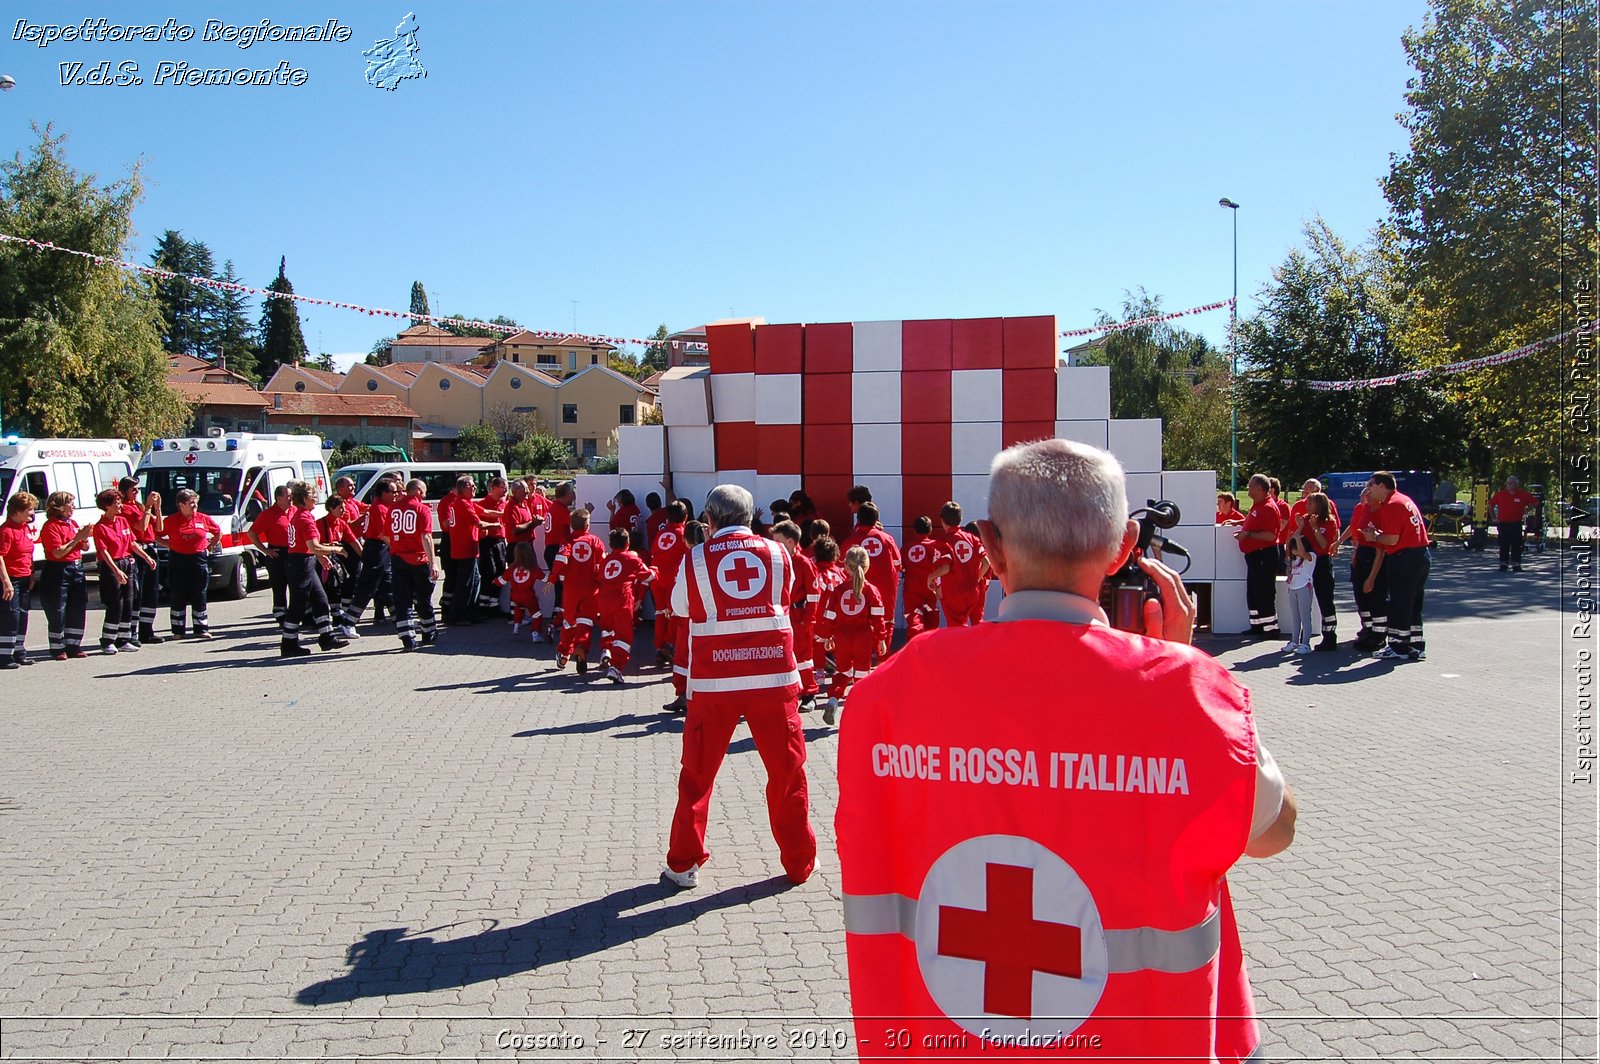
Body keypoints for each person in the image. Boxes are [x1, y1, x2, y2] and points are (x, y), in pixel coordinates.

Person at [835, 438, 1297, 1062]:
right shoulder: (1190, 694)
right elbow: (1274, 832)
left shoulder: (886, 694)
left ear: (989, 545)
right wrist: (1183, 674)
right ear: (1125, 547)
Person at [661, 484, 816, 888]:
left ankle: (683, 864)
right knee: (787, 773)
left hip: (715, 682)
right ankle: (799, 864)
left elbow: (680, 607)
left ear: (709, 520)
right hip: (774, 679)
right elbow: (782, 599)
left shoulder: (696, 558)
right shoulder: (780, 553)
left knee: (696, 775)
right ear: (751, 517)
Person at [1363, 470, 1431, 661]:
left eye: (1371, 485)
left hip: (1404, 557)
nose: (1369, 489)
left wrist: (1374, 536)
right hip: (1420, 555)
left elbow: (1391, 540)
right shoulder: (1404, 500)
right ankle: (1416, 645)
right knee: (1414, 602)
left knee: (1399, 602)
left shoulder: (1392, 505)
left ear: (1381, 486)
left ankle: (1397, 646)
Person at [818, 545, 888, 726]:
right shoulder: (871, 591)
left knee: (842, 672)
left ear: (846, 567)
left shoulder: (838, 590)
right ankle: (861, 711)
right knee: (862, 675)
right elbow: (878, 616)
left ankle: (833, 700)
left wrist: (827, 637)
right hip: (863, 638)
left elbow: (829, 616)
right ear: (867, 566)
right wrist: (881, 638)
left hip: (842, 637)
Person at [281, 480, 350, 658]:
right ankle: (288, 643)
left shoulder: (300, 515)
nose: (316, 499)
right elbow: (314, 546)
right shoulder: (304, 517)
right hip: (300, 564)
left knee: (320, 599)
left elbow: (310, 548)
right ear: (304, 499)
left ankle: (327, 636)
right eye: (313, 497)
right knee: (298, 604)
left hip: (305, 561)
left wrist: (320, 557)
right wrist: (335, 549)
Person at [91, 488, 154, 654]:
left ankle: (123, 639)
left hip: (127, 562)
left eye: (119, 501)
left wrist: (146, 557)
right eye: (116, 502)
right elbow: (103, 552)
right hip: (112, 565)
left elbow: (132, 543)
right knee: (115, 603)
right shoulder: (100, 527)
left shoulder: (122, 521)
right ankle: (108, 640)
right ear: (107, 506)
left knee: (128, 602)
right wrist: (116, 571)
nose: (120, 505)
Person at [770, 520, 823, 710]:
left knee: (803, 657)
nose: (774, 543)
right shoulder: (776, 560)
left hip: (799, 615)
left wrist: (807, 619)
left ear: (790, 542)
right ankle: (788, 692)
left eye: (778, 540)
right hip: (781, 615)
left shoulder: (803, 563)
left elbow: (814, 594)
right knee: (783, 654)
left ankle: (809, 694)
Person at [549, 508, 606, 674]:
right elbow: (601, 567)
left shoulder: (567, 540)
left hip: (571, 590)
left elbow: (560, 561)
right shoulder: (596, 541)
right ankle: (581, 647)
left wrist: (552, 578)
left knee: (569, 623)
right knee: (586, 623)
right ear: (587, 525)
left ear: (572, 525)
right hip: (591, 590)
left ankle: (564, 653)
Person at [595, 528, 655, 683]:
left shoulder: (605, 560)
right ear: (627, 543)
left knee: (608, 629)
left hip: (603, 599)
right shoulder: (632, 559)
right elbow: (648, 576)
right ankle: (616, 667)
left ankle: (606, 651)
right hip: (622, 599)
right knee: (624, 636)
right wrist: (655, 570)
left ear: (610, 544)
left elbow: (599, 576)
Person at [38, 491, 93, 659]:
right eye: (70, 503)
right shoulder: (50, 526)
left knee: (77, 606)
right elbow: (58, 552)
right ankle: (57, 647)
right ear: (59, 507)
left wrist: (84, 538)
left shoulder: (72, 523)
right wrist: (77, 538)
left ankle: (74, 645)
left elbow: (84, 548)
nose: (73, 506)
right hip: (58, 569)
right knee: (57, 609)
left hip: (76, 567)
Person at [159, 489, 221, 640]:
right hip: (178, 559)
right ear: (181, 505)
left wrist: (210, 545)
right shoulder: (171, 520)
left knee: (199, 593)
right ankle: (178, 630)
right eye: (191, 503)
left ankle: (201, 628)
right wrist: (168, 543)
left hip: (198, 558)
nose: (195, 506)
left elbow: (218, 531)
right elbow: (156, 534)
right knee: (178, 594)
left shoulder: (203, 518)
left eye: (196, 503)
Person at [341, 475, 399, 632]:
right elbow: (383, 534)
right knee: (367, 587)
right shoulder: (379, 508)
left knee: (388, 585)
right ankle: (348, 622)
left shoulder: (381, 507)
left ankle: (400, 620)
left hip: (380, 549)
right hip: (376, 549)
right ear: (383, 493)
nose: (396, 495)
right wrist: (398, 549)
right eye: (393, 492)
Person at [389, 478, 440, 652]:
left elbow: (388, 534)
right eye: (424, 491)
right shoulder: (421, 509)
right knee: (423, 597)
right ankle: (428, 632)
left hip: (398, 558)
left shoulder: (393, 508)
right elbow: (426, 537)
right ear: (418, 491)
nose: (425, 495)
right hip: (418, 560)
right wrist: (433, 562)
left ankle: (407, 637)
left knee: (402, 600)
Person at [1336, 485, 1388, 651]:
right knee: (1361, 597)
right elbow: (1354, 527)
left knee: (1376, 598)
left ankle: (1379, 635)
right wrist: (1340, 542)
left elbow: (1380, 548)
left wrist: (1372, 577)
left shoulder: (1382, 511)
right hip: (1362, 554)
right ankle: (1368, 629)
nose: (1365, 496)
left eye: (1369, 493)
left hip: (1374, 555)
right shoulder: (1362, 508)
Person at [662, 520, 706, 715]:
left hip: (688, 615)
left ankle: (684, 696)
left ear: (685, 539)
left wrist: (673, 608)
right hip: (708, 616)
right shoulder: (711, 555)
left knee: (683, 657)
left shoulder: (689, 558)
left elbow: (680, 589)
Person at [1232, 475, 1281, 639]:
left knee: (1264, 591)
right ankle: (1257, 625)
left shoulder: (1267, 507)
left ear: (1259, 489)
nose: (1248, 488)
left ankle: (1271, 629)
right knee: (1253, 592)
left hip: (1263, 555)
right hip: (1254, 555)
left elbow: (1270, 536)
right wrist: (1240, 523)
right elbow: (1255, 522)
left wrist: (1248, 534)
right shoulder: (1258, 506)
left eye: (1250, 486)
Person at [928, 502, 989, 628]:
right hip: (972, 591)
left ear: (942, 521)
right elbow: (986, 563)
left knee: (957, 628)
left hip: (953, 593)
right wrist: (975, 579)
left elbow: (945, 568)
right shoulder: (973, 538)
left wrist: (930, 577)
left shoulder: (942, 542)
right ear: (961, 519)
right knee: (976, 623)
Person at [119, 477, 164, 645]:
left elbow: (158, 527)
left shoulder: (139, 506)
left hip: (151, 548)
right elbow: (141, 527)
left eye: (138, 489)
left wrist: (157, 508)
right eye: (134, 490)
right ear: (124, 492)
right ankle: (132, 631)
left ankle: (147, 630)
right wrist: (148, 507)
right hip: (138, 550)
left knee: (151, 591)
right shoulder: (124, 509)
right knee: (137, 592)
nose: (137, 492)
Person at [246, 485, 296, 630]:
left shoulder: (295, 510)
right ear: (279, 498)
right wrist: (265, 550)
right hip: (277, 553)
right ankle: (280, 614)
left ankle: (298, 614)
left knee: (297, 585)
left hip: (294, 552)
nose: (291, 499)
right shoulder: (268, 514)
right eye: (288, 496)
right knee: (279, 586)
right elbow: (252, 533)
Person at [0, 492, 39, 668]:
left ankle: (19, 651)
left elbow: (28, 553)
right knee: (11, 616)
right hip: (11, 579)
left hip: (24, 577)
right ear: (17, 511)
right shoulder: (6, 531)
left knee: (23, 615)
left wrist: (31, 574)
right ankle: (5, 655)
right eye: (29, 510)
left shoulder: (24, 528)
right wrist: (6, 582)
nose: (32, 514)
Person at [1298, 491, 1340, 651]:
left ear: (1319, 505)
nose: (1306, 506)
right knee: (1303, 600)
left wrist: (1315, 528)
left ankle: (1330, 637)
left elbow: (1324, 545)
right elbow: (1297, 540)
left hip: (1322, 563)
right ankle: (1303, 636)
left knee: (1325, 600)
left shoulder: (1329, 522)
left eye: (1310, 503)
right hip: (1307, 562)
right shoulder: (1305, 519)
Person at [650, 502, 690, 668]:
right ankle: (669, 644)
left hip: (657, 578)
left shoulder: (661, 533)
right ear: (686, 517)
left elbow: (654, 552)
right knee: (674, 612)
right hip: (673, 579)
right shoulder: (683, 534)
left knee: (660, 612)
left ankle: (659, 647)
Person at [900, 516, 943, 641]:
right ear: (930, 530)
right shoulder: (935, 546)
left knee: (914, 616)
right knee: (931, 613)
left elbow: (900, 566)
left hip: (912, 586)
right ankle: (930, 642)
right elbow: (940, 566)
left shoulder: (907, 547)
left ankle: (915, 644)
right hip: (930, 586)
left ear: (914, 530)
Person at [475, 476, 510, 615]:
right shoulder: (482, 503)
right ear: (494, 488)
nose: (506, 491)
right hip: (486, 542)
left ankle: (494, 604)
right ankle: (483, 606)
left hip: (500, 541)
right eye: (504, 488)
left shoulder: (505, 503)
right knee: (489, 572)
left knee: (500, 572)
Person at [1489, 475, 1538, 572]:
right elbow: (1490, 505)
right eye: (1508, 483)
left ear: (1516, 484)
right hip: (1503, 523)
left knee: (1516, 544)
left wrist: (1525, 511)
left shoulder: (1522, 494)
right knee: (1503, 543)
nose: (1510, 485)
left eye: (1512, 483)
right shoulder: (1500, 494)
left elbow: (1535, 502)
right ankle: (1503, 564)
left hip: (1516, 523)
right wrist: (1494, 518)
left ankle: (1516, 564)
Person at [1284, 524, 1316, 655]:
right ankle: (1294, 641)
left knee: (1305, 617)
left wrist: (1297, 538)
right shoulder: (1294, 559)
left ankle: (1305, 643)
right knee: (1295, 617)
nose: (1294, 551)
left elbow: (1303, 552)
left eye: (1295, 548)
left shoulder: (1311, 557)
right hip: (1293, 589)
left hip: (1304, 588)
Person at [506, 541, 546, 639]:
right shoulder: (533, 568)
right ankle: (535, 634)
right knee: (536, 614)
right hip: (529, 596)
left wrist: (494, 581)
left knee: (519, 608)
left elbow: (501, 580)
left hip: (515, 596)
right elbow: (545, 579)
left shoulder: (511, 568)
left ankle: (516, 627)